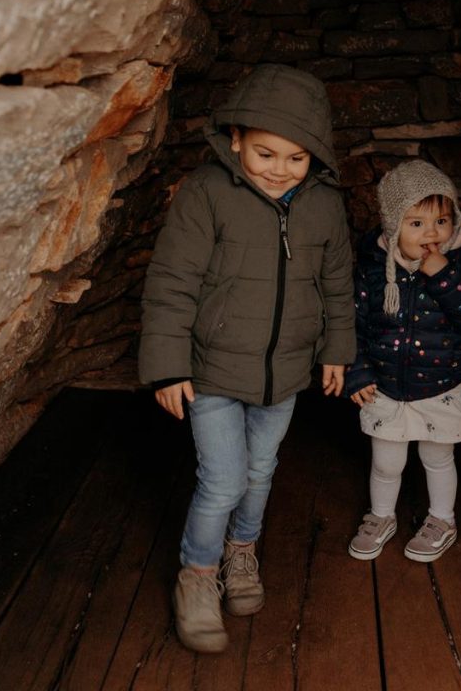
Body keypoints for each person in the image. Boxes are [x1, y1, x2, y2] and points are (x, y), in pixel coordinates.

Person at [139, 64, 355, 653]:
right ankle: (199, 574)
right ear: (235, 138)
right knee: (224, 478)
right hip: (210, 369)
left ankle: (242, 552)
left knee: (260, 473)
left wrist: (337, 350)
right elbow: (172, 283)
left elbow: (337, 284)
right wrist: (167, 365)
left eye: (296, 158)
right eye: (265, 153)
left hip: (284, 373)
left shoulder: (325, 206)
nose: (279, 170)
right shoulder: (207, 194)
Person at [345, 158, 461, 563]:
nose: (432, 234)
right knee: (386, 460)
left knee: (436, 456)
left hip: (441, 383)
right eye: (416, 224)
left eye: (442, 221)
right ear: (393, 227)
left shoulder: (459, 261)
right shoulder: (376, 267)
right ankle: (380, 516)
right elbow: (354, 320)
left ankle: (442, 519)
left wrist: (442, 272)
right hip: (385, 382)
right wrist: (357, 372)